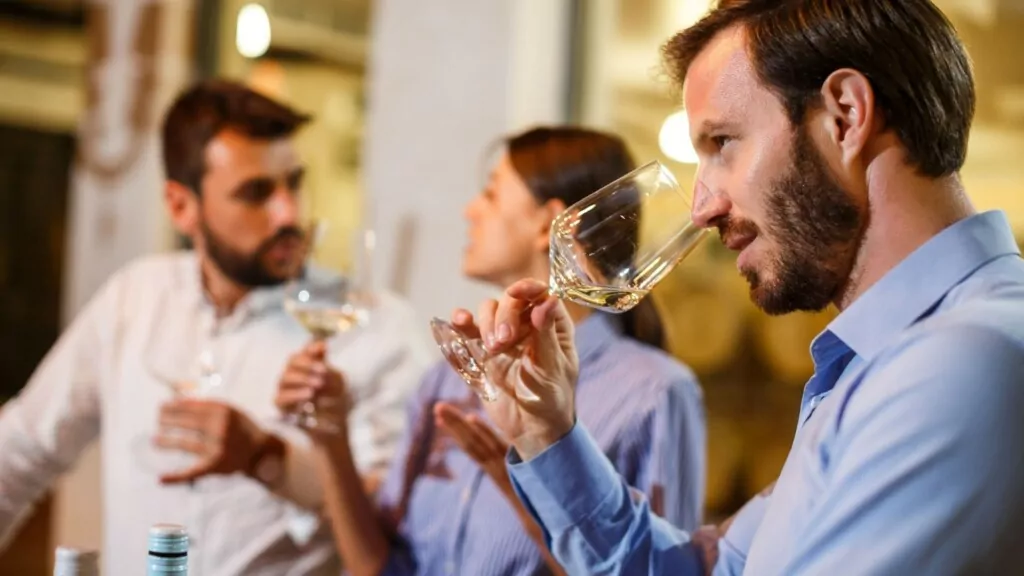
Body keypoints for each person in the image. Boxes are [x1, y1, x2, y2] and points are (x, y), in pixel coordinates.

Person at [453, 1, 1024, 574]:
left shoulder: (964, 359)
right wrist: (548, 432)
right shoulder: (882, 359)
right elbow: (702, 568)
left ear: (845, 116)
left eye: (723, 142)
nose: (702, 209)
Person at [0, 80, 430, 575]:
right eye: (256, 192)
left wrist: (270, 459)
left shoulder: (375, 326)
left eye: (294, 183)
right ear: (182, 206)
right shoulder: (134, 300)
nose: (289, 213)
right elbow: (21, 451)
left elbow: (395, 528)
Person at [276, 127, 707, 576]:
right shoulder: (448, 378)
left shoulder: (654, 392)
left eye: (491, 193)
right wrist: (331, 439)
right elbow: (377, 567)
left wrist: (525, 477)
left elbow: (662, 568)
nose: (470, 210)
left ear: (549, 223)